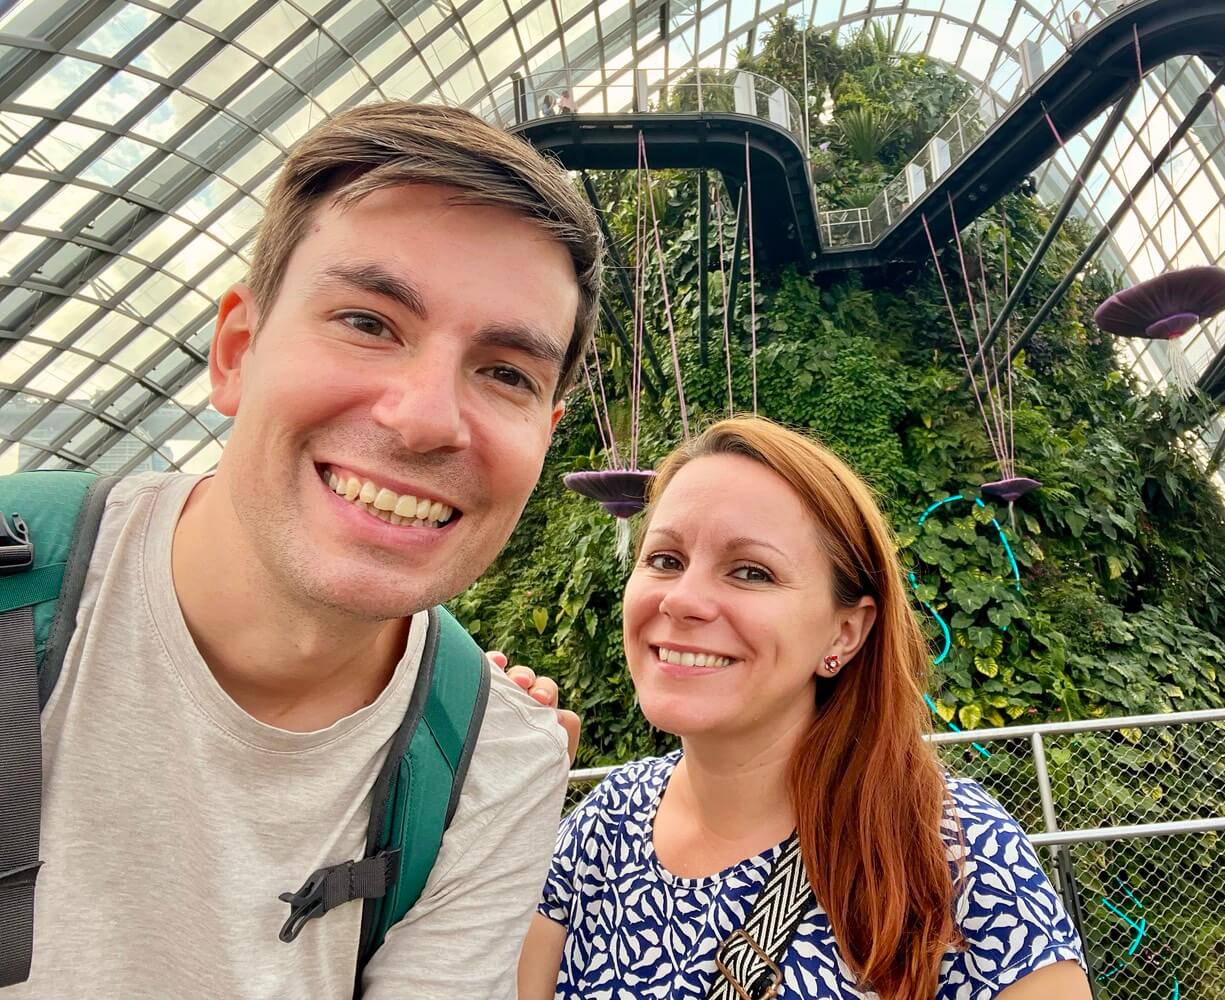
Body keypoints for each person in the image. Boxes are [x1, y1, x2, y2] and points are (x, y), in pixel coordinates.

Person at [2, 101, 599, 998]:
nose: (428, 417)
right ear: (236, 349)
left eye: (506, 373)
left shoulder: (492, 763)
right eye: (367, 322)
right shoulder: (23, 596)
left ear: (545, 437)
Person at [520, 418, 1089, 999]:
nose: (682, 598)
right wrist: (493, 811)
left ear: (844, 633)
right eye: (665, 559)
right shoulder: (603, 824)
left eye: (750, 572)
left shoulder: (952, 853)